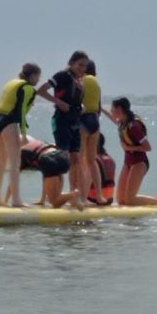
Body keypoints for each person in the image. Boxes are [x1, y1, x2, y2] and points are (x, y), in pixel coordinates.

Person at [36, 51, 89, 202]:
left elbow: (75, 100)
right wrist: (58, 102)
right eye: (80, 65)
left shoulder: (80, 80)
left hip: (75, 123)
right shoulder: (62, 76)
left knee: (76, 160)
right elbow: (41, 91)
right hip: (61, 122)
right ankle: (51, 196)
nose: (82, 68)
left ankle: (73, 195)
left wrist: (82, 106)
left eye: (85, 66)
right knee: (61, 159)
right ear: (71, 63)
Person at [0, 63, 41, 206]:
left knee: (1, 163)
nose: (38, 81)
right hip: (9, 122)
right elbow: (22, 113)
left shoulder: (10, 83)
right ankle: (16, 200)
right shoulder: (28, 88)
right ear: (31, 76)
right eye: (37, 77)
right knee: (15, 163)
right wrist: (24, 134)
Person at [110, 97, 157, 208]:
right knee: (121, 200)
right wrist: (99, 109)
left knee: (130, 200)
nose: (111, 111)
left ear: (119, 109)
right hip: (128, 163)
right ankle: (132, 223)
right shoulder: (123, 123)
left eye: (112, 109)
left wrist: (130, 149)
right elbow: (113, 119)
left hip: (139, 163)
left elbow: (148, 147)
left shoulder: (134, 126)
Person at [7, 139, 79, 208]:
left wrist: (5, 201)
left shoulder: (20, 155)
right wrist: (42, 200)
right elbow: (45, 176)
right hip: (63, 158)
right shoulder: (36, 143)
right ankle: (69, 198)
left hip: (49, 160)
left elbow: (13, 180)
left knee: (54, 201)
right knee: (56, 199)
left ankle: (73, 194)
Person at [80, 59, 107, 203]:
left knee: (79, 160)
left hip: (83, 120)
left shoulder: (81, 80)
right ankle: (99, 195)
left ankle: (81, 197)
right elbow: (98, 107)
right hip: (95, 121)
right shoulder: (96, 83)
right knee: (91, 160)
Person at [87, 133, 116, 205]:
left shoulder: (91, 160)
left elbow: (86, 183)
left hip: (94, 199)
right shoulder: (110, 159)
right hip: (109, 199)